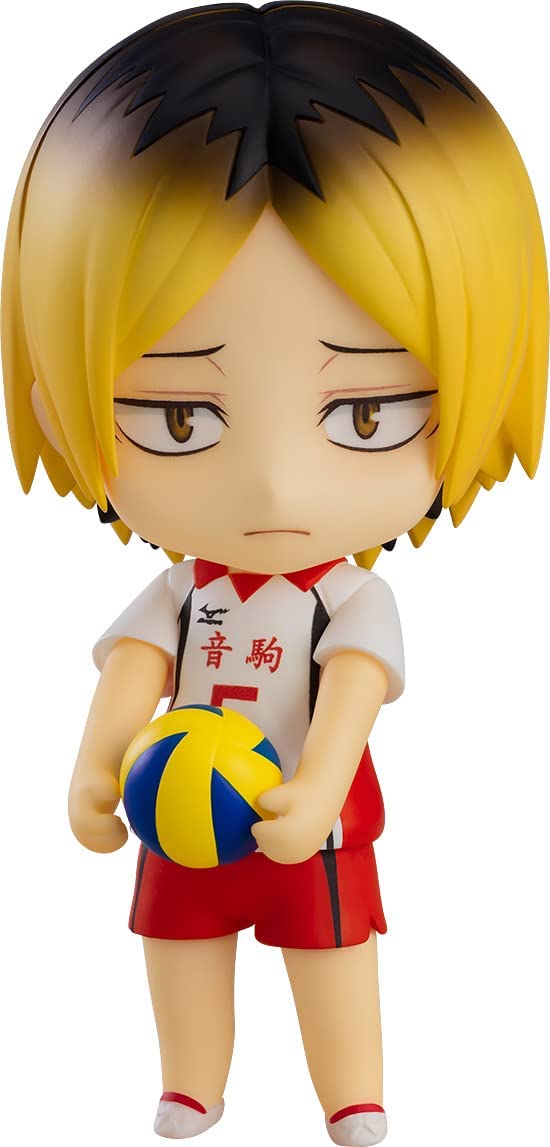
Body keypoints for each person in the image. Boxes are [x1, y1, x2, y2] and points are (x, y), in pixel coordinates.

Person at [2, 4, 547, 1144]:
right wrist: (96, 764)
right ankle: (190, 1080)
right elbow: (131, 669)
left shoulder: (350, 598)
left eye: (366, 413)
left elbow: (352, 691)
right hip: (179, 802)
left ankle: (353, 1090)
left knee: (335, 949)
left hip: (313, 818)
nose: (274, 485)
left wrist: (319, 785)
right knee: (176, 943)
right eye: (179, 416)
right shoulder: (183, 592)